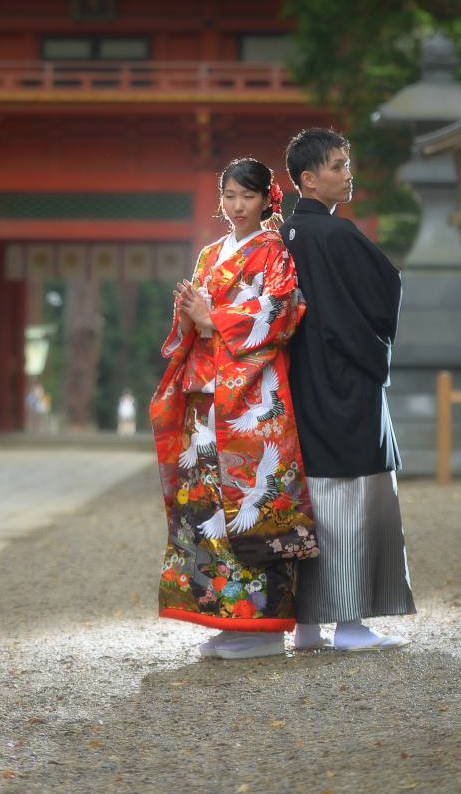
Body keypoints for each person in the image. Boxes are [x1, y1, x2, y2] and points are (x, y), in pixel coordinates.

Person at [150, 158, 318, 661]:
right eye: (229, 196)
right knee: (206, 510)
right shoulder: (208, 255)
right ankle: (227, 618)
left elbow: (282, 312)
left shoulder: (275, 252)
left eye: (247, 196)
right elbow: (191, 327)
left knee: (250, 504)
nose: (237, 206)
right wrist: (190, 318)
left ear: (268, 199)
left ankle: (263, 628)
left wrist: (211, 318)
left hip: (252, 397)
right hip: (206, 399)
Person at [280, 127, 416, 652]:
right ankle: (353, 625)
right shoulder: (339, 235)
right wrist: (373, 356)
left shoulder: (282, 238)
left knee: (306, 503)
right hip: (345, 386)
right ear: (309, 180)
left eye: (346, 163)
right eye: (336, 166)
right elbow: (384, 297)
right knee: (355, 498)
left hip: (296, 385)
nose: (346, 173)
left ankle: (306, 625)